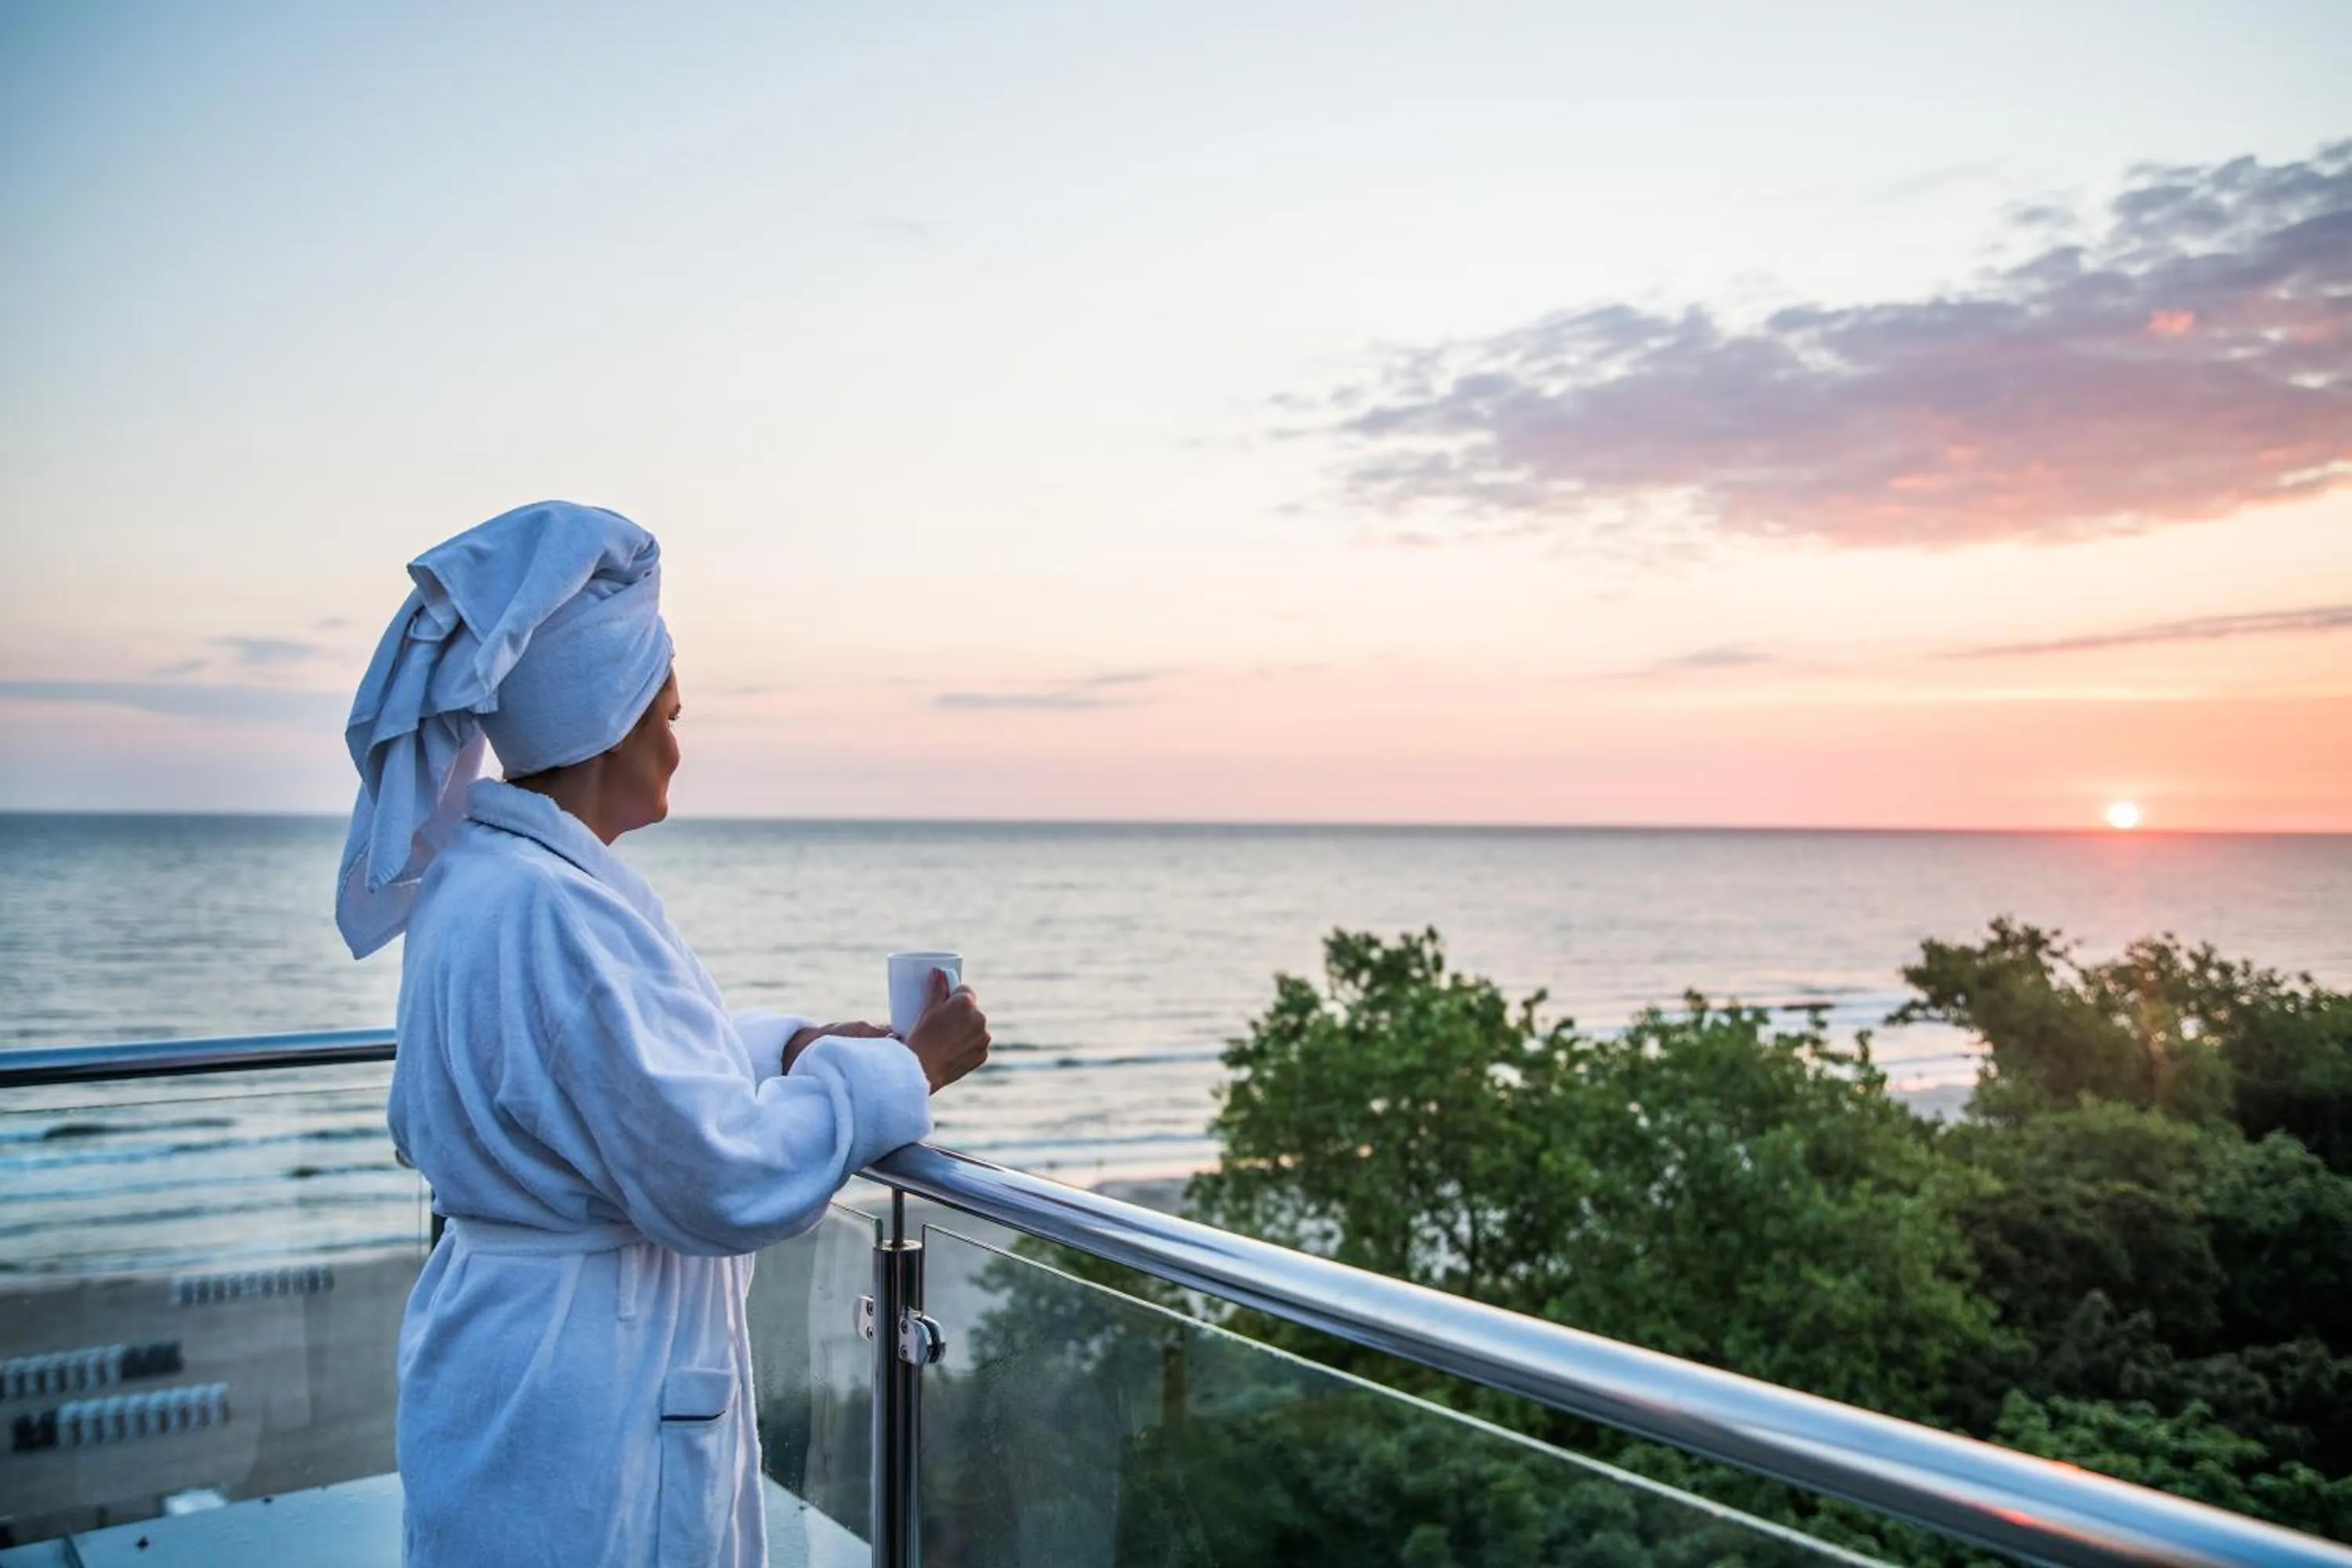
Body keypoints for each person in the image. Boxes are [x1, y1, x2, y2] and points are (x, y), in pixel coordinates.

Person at [336, 500, 989, 1566]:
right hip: (585, 1377)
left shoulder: (480, 879)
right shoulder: (553, 908)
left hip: (507, 1345)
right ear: (610, 720)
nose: (680, 744)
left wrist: (792, 1047)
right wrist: (900, 1075)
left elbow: (599, 1074)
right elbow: (713, 1176)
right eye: (670, 714)